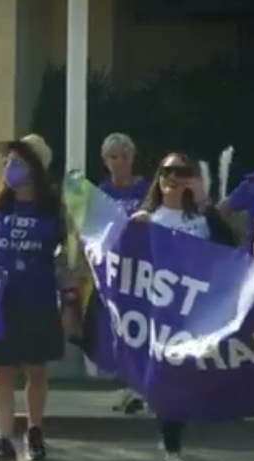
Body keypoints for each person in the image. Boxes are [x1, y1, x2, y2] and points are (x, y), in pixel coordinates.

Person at [128, 152, 237, 461]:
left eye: (182, 172)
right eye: (167, 171)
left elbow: (233, 255)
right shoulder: (148, 220)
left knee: (194, 384)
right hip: (162, 318)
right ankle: (174, 455)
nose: (174, 178)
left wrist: (209, 208)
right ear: (158, 179)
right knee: (168, 388)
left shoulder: (204, 219)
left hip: (201, 315)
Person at [0, 134, 66, 461]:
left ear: (35, 168)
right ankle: (3, 440)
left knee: (36, 370)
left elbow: (69, 255)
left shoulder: (52, 210)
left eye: (18, 161)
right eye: (8, 162)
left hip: (39, 300)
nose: (9, 168)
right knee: (1, 373)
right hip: (2, 302)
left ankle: (34, 430)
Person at [91, 133, 150, 414]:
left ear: (132, 157)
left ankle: (140, 389)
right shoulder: (100, 194)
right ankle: (128, 387)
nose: (119, 163)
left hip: (144, 271)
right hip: (113, 272)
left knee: (142, 328)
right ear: (105, 161)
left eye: (124, 156)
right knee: (118, 329)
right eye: (113, 157)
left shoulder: (148, 191)